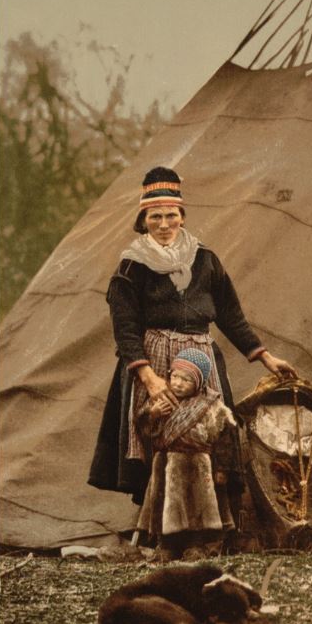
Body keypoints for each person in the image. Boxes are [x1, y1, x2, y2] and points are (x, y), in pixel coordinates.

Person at [88, 167, 296, 523]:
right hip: (152, 359)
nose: (164, 224)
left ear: (182, 217)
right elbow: (125, 329)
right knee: (158, 433)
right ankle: (160, 525)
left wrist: (264, 356)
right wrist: (150, 380)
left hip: (202, 361)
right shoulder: (130, 267)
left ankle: (211, 522)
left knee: (211, 435)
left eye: (171, 215)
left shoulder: (205, 260)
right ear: (143, 220)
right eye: (155, 216)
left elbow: (230, 315)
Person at [135, 349, 236, 561]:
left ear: (198, 383)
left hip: (197, 466)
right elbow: (143, 430)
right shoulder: (161, 401)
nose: (178, 383)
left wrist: (222, 469)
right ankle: (166, 545)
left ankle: (196, 545)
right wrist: (152, 415)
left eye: (187, 380)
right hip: (166, 464)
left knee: (197, 507)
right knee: (164, 505)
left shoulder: (212, 406)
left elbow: (225, 439)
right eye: (175, 377)